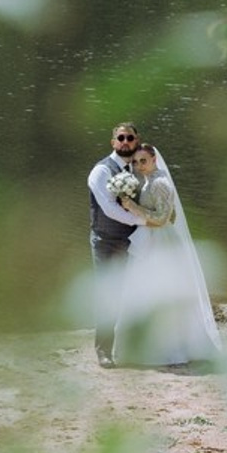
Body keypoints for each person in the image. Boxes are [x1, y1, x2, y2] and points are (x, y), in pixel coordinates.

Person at [112, 142, 222, 368]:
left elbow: (162, 219)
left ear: (154, 159)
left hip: (159, 242)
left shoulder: (160, 183)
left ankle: (165, 347)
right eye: (136, 162)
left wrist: (133, 207)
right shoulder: (150, 180)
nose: (139, 165)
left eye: (144, 160)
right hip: (151, 238)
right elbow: (167, 215)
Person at [87, 123, 150, 368]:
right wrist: (145, 220)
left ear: (136, 140)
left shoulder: (139, 167)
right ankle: (104, 351)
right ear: (113, 142)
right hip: (107, 242)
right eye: (120, 138)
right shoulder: (101, 171)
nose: (125, 142)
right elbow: (110, 210)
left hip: (136, 240)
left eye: (129, 138)